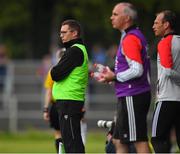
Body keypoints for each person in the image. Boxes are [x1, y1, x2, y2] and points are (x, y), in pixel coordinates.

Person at [93, 2, 151, 153]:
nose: (111, 17)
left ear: (126, 18)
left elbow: (137, 69)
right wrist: (110, 73)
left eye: (115, 14)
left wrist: (115, 76)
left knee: (139, 141)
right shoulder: (130, 36)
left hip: (133, 95)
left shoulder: (130, 38)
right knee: (118, 141)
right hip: (128, 95)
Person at [50, 19, 89, 153]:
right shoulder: (74, 50)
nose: (61, 35)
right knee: (70, 141)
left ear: (74, 33)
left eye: (64, 32)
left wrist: (53, 69)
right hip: (68, 101)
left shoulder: (74, 51)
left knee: (72, 143)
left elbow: (55, 73)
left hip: (69, 101)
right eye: (60, 32)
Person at [151, 10, 180, 153]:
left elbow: (168, 71)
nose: (153, 26)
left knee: (158, 139)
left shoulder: (164, 42)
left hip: (167, 98)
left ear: (166, 24)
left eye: (156, 23)